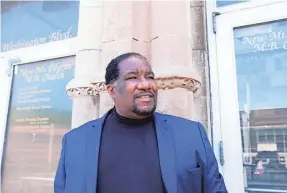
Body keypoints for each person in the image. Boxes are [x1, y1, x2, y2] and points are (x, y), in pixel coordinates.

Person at [54, 52, 228, 193]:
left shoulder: (190, 134)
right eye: (133, 77)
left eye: (150, 77)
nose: (146, 84)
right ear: (112, 90)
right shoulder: (75, 141)